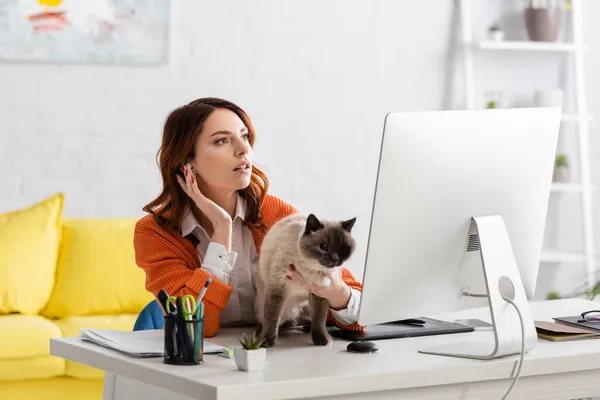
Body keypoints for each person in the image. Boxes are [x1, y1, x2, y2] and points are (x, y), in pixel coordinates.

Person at [133, 97, 364, 337]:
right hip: (204, 368)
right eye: (222, 140)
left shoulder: (277, 215)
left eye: (244, 137)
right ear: (186, 161)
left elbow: (358, 316)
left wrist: (335, 291)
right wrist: (221, 230)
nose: (243, 149)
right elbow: (195, 325)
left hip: (280, 361)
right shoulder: (155, 233)